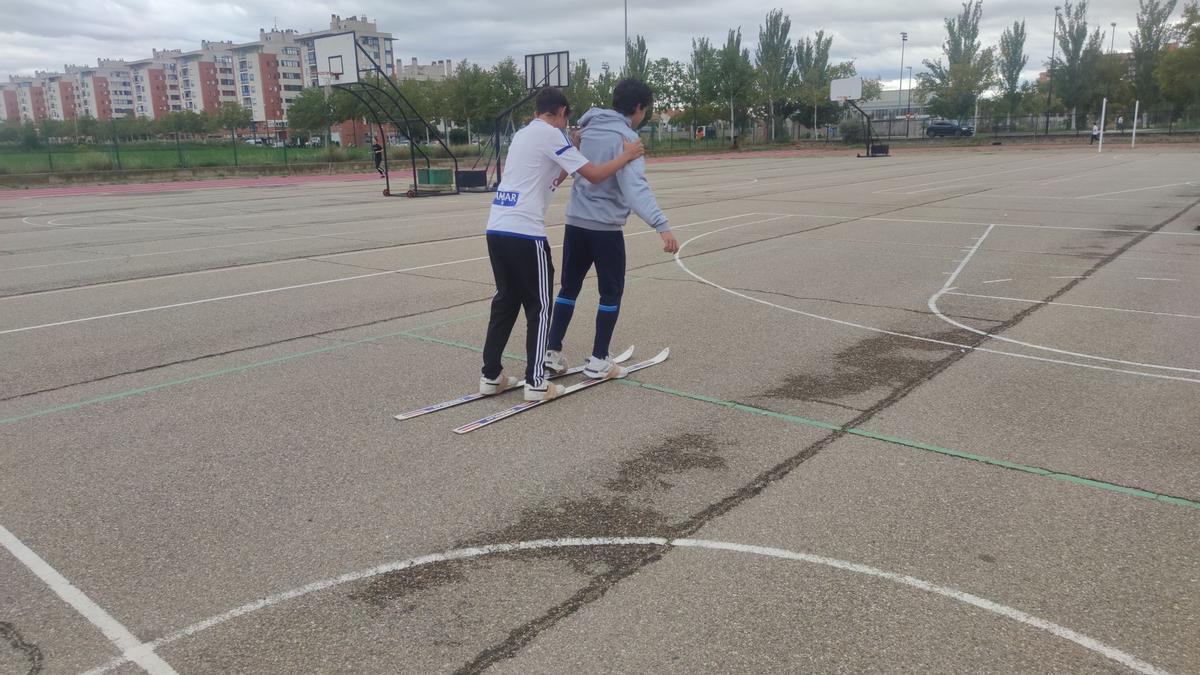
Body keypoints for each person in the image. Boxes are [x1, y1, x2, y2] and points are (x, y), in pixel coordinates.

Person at [480, 87, 645, 402]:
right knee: (540, 308)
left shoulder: (524, 134)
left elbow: (550, 179)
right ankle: (536, 383)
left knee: (505, 301)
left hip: (497, 227)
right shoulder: (552, 134)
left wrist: (571, 148)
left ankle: (490, 376)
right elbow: (594, 175)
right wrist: (626, 155)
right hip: (525, 234)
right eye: (565, 120)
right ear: (561, 112)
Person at [543, 78, 677, 381]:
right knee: (611, 291)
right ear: (639, 108)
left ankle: (551, 352)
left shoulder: (586, 128)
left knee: (569, 287)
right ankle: (599, 359)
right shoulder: (627, 139)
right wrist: (662, 225)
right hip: (605, 228)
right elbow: (635, 189)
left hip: (576, 221)